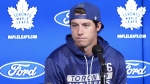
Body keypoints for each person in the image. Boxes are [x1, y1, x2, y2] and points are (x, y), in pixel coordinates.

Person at [44, 2, 127, 84]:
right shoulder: (55, 60)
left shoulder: (116, 58)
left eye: (86, 25)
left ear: (98, 26)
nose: (79, 32)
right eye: (75, 25)